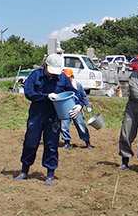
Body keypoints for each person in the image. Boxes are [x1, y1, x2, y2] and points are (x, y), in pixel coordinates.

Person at [14, 54, 79, 185]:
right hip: (36, 114)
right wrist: (46, 96)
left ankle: (50, 174)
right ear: (46, 65)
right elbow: (29, 93)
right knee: (30, 143)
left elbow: (73, 92)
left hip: (54, 116)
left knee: (51, 145)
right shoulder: (35, 75)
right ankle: (24, 170)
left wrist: (77, 105)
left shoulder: (62, 77)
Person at [60, 68, 93, 149]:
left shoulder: (77, 85)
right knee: (63, 126)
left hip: (76, 108)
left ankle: (87, 142)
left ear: (72, 76)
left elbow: (83, 96)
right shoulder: (61, 85)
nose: (67, 79)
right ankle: (66, 142)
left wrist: (87, 106)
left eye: (69, 77)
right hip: (65, 108)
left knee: (81, 125)